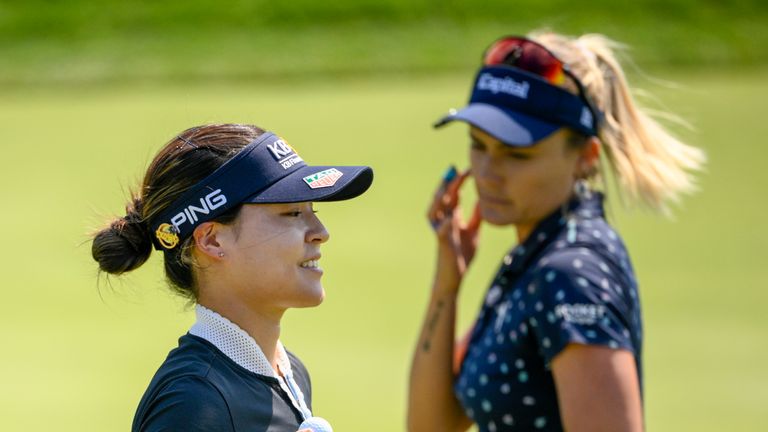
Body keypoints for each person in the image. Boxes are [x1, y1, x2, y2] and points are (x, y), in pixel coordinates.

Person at [408, 32, 705, 432]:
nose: (486, 173)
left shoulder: (572, 273)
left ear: (585, 157)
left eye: (517, 154)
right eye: (478, 145)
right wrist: (448, 282)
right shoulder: (535, 257)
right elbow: (432, 425)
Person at [91, 124, 373, 432]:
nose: (321, 232)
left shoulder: (290, 373)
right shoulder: (195, 403)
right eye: (291, 213)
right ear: (212, 240)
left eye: (312, 209)